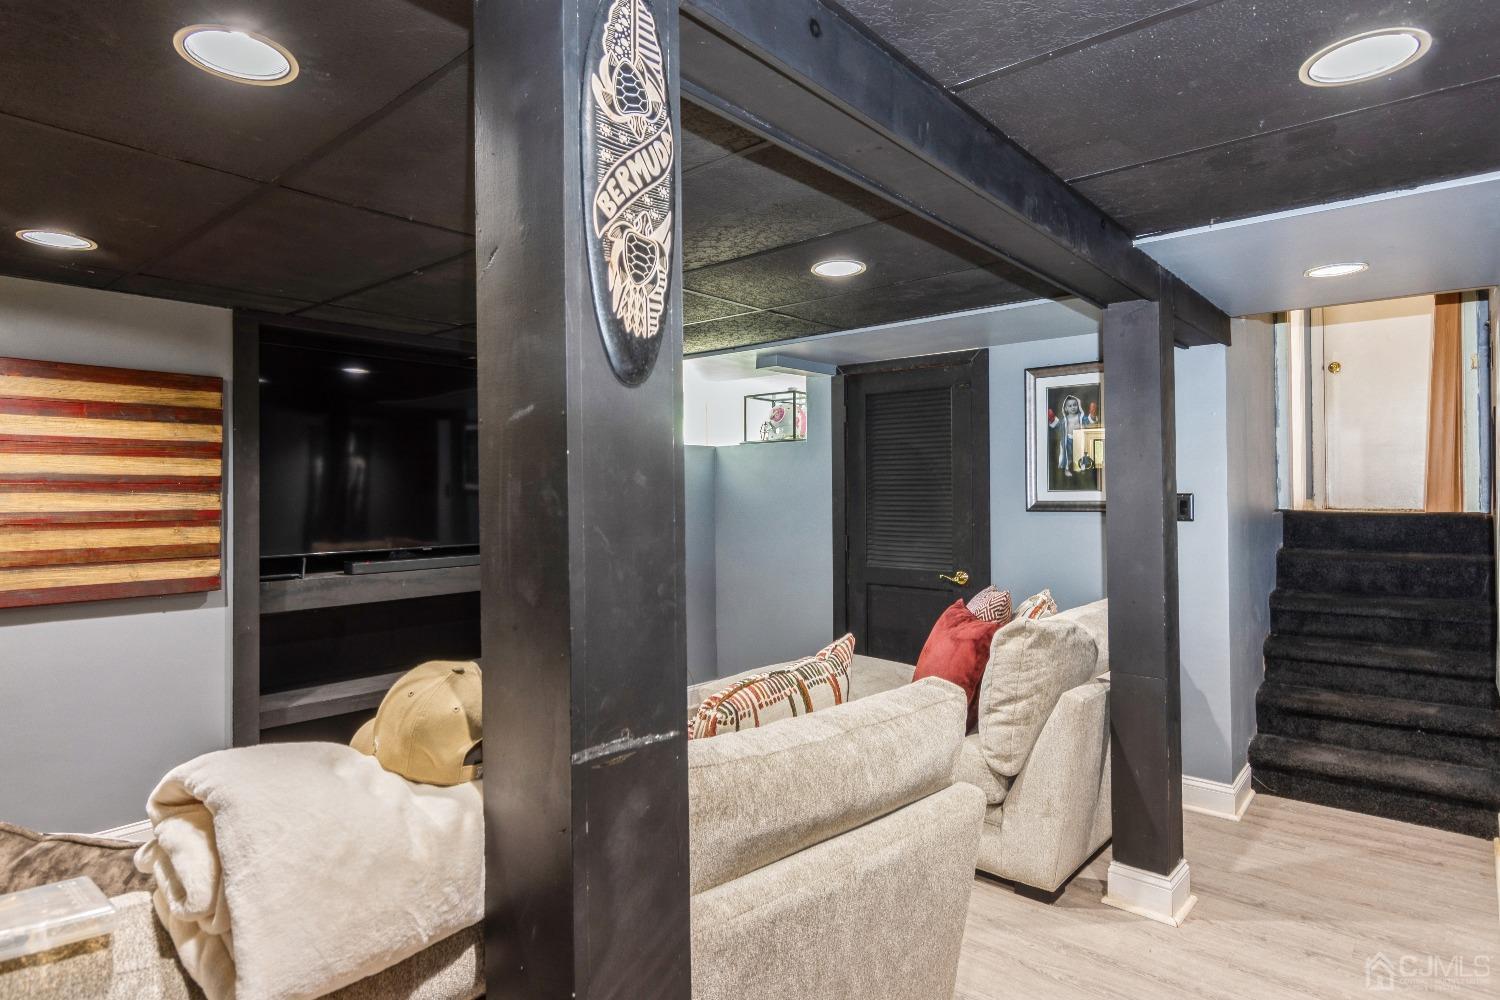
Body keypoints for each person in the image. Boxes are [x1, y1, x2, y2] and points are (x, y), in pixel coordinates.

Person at [1048, 393, 1096, 477]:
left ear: (1078, 406)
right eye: (1070, 406)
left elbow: (1087, 421)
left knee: (1082, 454)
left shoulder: (1080, 417)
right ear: (1065, 409)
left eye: (1075, 405)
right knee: (1068, 456)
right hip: (1068, 440)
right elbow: (1059, 425)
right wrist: (1052, 419)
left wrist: (1091, 415)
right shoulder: (1065, 419)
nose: (1073, 407)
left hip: (1079, 439)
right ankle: (1067, 469)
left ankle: (1082, 468)